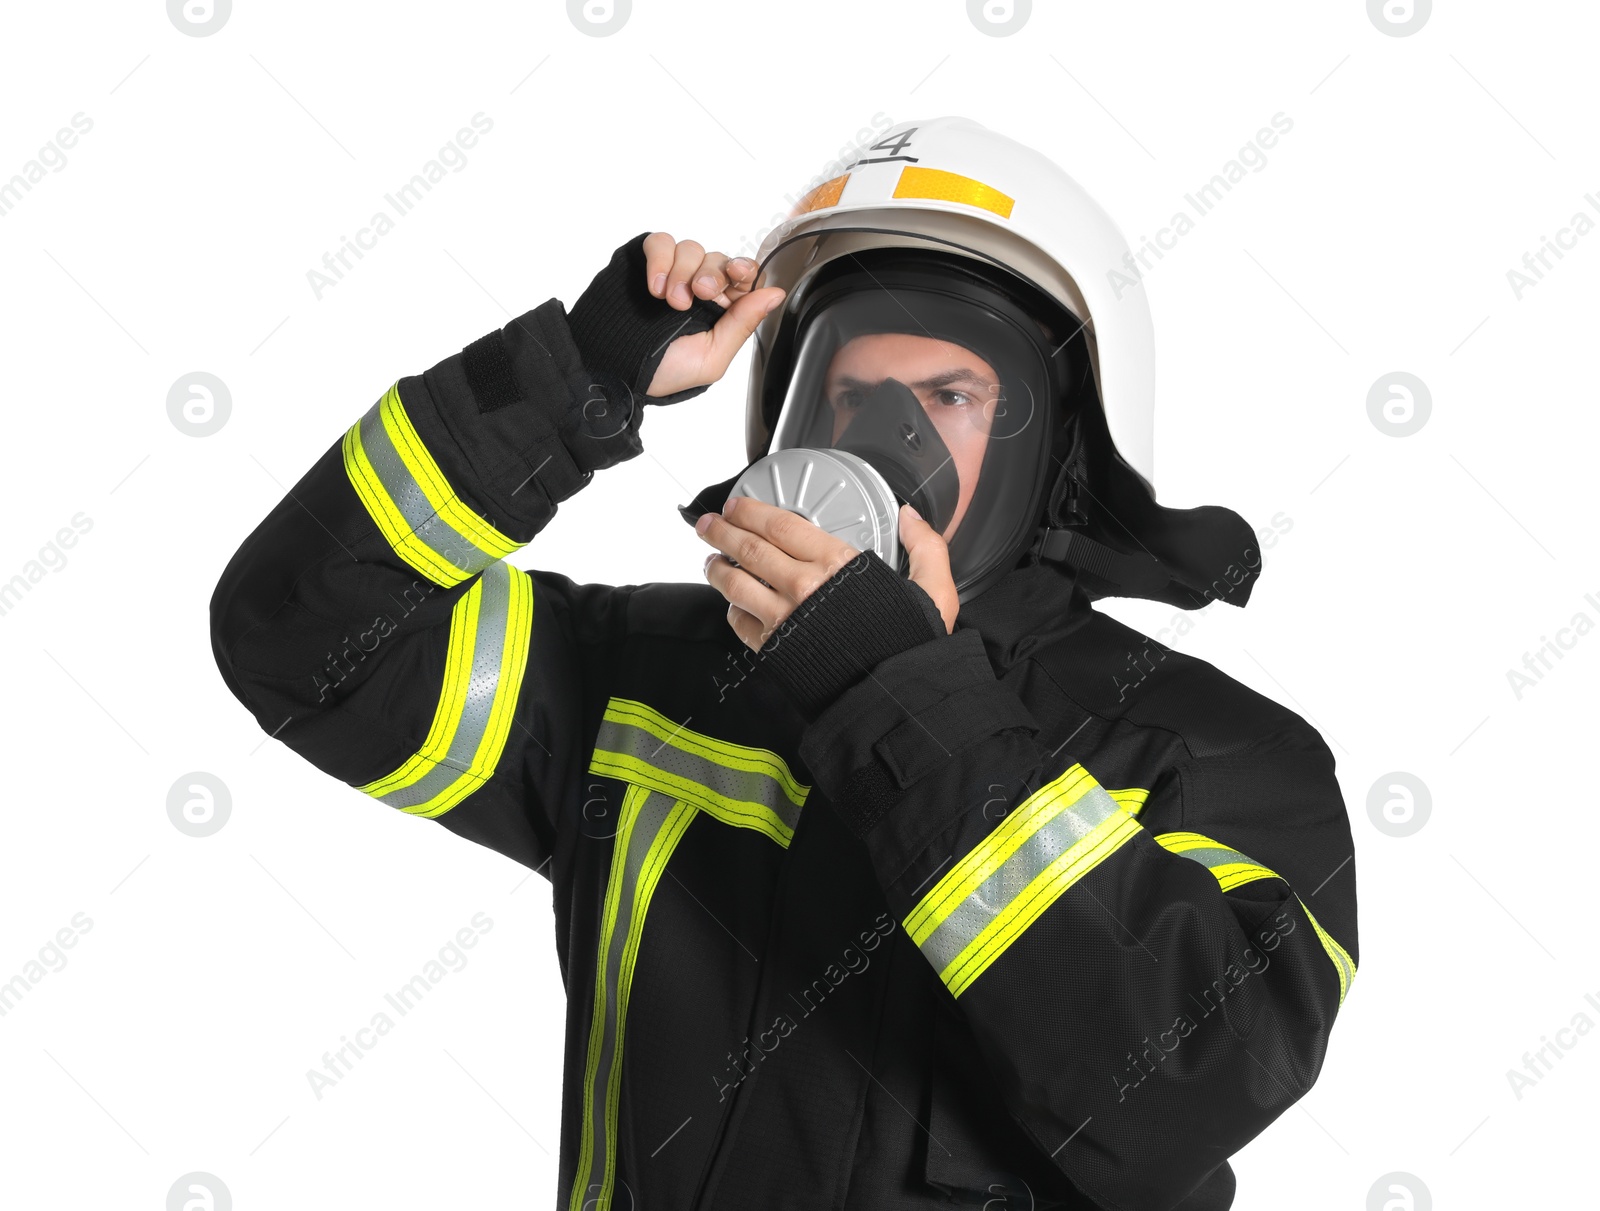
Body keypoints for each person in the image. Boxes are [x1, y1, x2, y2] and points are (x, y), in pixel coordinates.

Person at [211, 117, 1357, 1211]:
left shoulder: (1211, 753)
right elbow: (301, 636)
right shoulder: (643, 681)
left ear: (1056, 452)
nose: (880, 440)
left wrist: (893, 692)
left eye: (948, 396)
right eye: (850, 395)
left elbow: (1181, 1085)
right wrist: (576, 379)